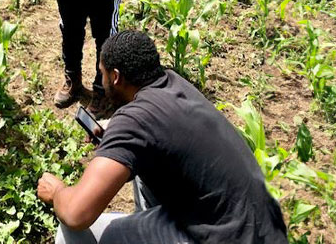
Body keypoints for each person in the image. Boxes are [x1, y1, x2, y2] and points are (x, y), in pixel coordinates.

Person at [37, 31, 288, 244]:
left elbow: (77, 213)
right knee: (145, 174)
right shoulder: (174, 83)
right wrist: (116, 133)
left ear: (115, 77)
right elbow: (158, 131)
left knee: (74, 231)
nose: (101, 81)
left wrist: (57, 191)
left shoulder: (135, 122)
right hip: (262, 229)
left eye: (102, 74)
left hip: (220, 237)